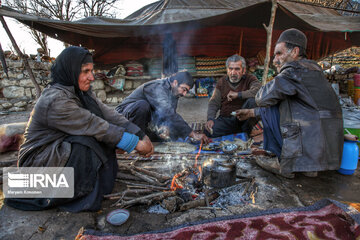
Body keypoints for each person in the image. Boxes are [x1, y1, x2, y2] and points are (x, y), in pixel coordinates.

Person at [5, 46, 153, 212]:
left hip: (56, 152)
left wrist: (139, 133)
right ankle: (78, 196)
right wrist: (135, 144)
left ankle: (93, 187)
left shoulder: (80, 92)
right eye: (85, 71)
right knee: (87, 142)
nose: (91, 77)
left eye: (92, 70)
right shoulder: (56, 100)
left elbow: (107, 113)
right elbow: (94, 125)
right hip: (37, 164)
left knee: (95, 139)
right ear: (70, 70)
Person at [236, 28, 343, 178]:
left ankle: (284, 163)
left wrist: (277, 77)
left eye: (279, 53)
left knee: (272, 101)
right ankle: (307, 167)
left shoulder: (293, 71)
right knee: (282, 100)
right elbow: (303, 108)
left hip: (309, 144)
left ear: (294, 52)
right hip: (328, 152)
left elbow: (262, 98)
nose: (274, 60)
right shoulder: (313, 70)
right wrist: (251, 113)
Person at [115, 71, 209, 144]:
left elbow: (167, 117)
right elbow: (168, 113)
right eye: (184, 89)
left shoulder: (174, 93)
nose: (184, 94)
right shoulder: (157, 87)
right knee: (142, 105)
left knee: (172, 135)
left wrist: (164, 127)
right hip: (124, 119)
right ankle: (136, 142)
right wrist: (192, 134)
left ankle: (144, 138)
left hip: (144, 123)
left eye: (187, 91)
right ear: (175, 82)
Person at [204, 54, 261, 138]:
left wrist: (239, 95)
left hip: (244, 119)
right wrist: (210, 119)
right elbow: (214, 102)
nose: (233, 72)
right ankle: (242, 132)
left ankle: (245, 130)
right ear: (227, 70)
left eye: (237, 69)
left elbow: (259, 91)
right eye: (230, 69)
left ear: (243, 70)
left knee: (253, 101)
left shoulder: (250, 79)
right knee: (208, 131)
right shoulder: (222, 81)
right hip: (226, 119)